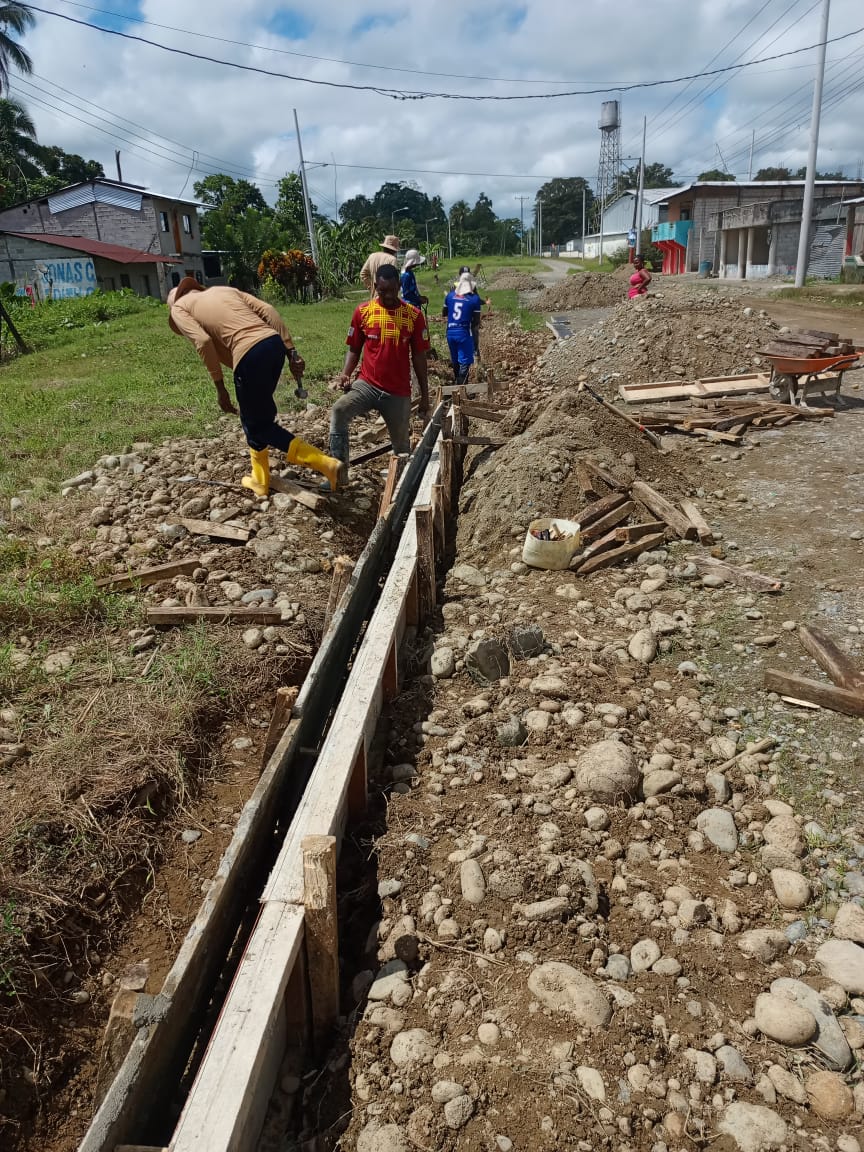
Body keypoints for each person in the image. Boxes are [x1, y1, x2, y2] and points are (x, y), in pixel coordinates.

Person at [167, 277, 346, 495]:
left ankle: (325, 464)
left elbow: (203, 341)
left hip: (249, 354)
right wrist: (291, 351)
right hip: (273, 344)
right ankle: (260, 480)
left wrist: (220, 388)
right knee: (254, 417)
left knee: (258, 425)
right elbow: (268, 310)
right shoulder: (224, 290)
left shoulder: (179, 308)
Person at [328, 264, 430, 486]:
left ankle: (401, 493)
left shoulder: (413, 316)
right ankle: (338, 476)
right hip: (367, 385)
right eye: (383, 291)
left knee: (402, 449)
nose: (389, 296)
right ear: (375, 287)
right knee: (339, 411)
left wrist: (425, 395)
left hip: (398, 392)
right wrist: (345, 374)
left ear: (399, 286)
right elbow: (354, 348)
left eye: (392, 290)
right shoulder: (363, 312)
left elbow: (419, 358)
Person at [442, 271, 484, 387]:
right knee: (465, 361)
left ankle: (457, 380)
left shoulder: (450, 296)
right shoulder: (474, 299)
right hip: (464, 332)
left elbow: (444, 313)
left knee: (455, 359)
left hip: (450, 332)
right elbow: (476, 321)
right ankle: (461, 385)